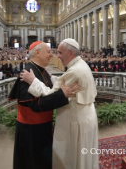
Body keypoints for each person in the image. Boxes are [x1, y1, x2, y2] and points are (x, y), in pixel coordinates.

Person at [21, 38, 99, 169]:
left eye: (60, 53)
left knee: (70, 158)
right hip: (86, 116)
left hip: (75, 121)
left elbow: (52, 93)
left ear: (71, 54)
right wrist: (52, 78)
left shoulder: (74, 71)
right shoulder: (80, 64)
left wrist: (33, 81)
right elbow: (64, 82)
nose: (57, 56)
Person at [8, 41, 80, 169]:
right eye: (48, 52)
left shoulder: (41, 71)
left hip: (42, 129)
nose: (51, 55)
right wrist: (62, 95)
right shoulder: (27, 74)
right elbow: (36, 105)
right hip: (31, 133)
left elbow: (49, 91)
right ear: (37, 52)